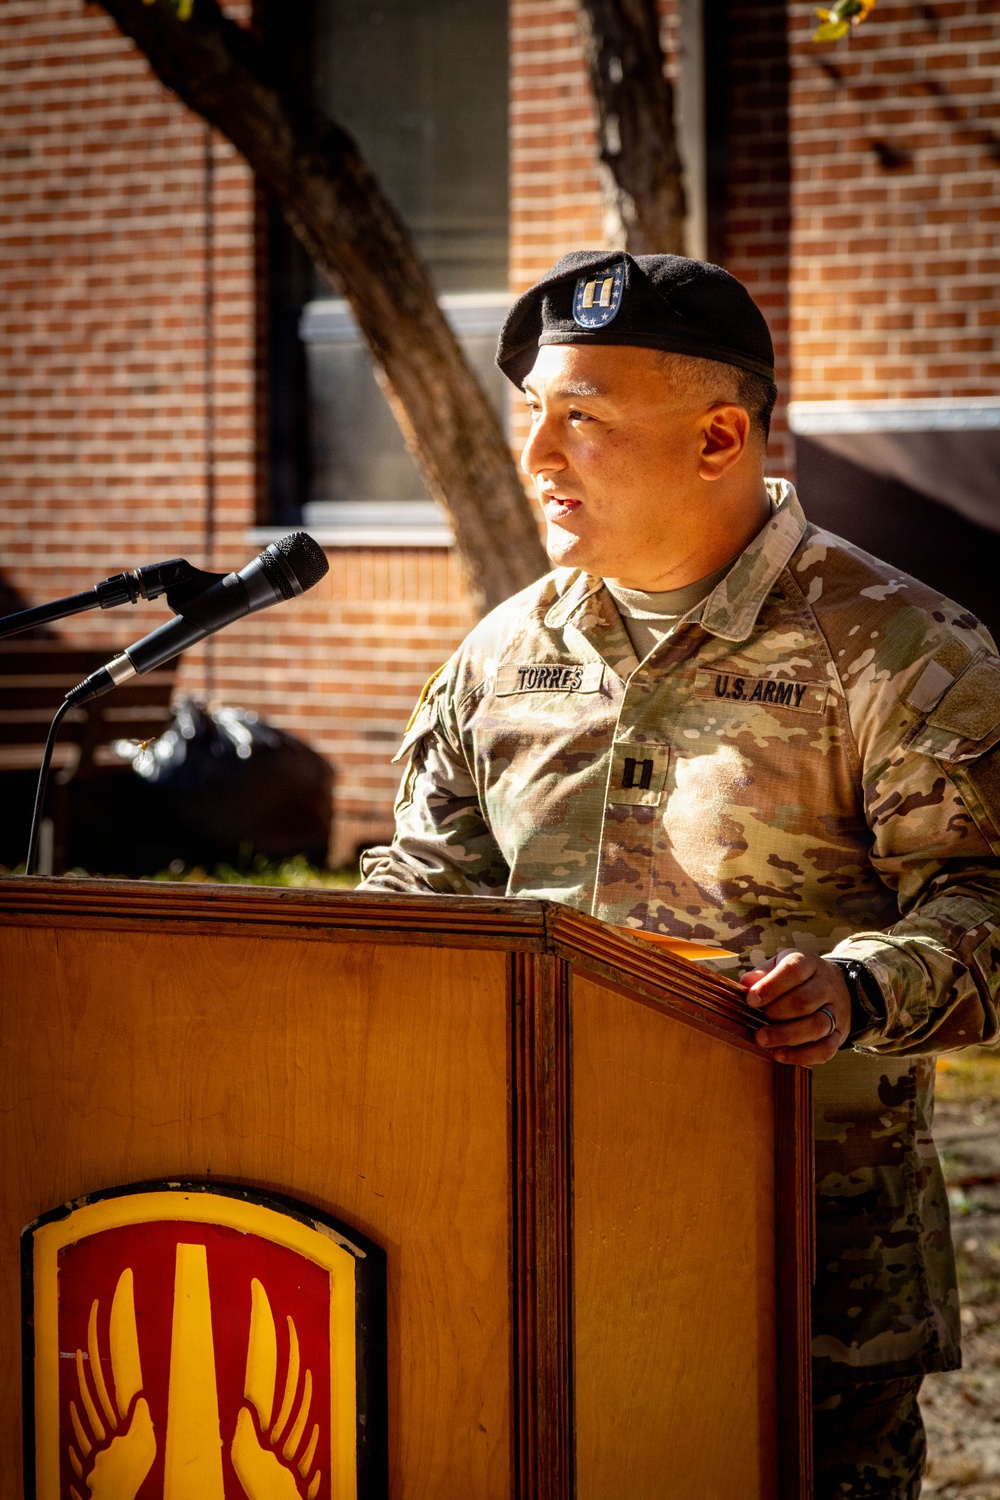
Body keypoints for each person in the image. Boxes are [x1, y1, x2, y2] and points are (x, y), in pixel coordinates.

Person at [360, 250, 1000, 1499]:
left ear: (721, 437)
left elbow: (985, 903)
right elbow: (423, 890)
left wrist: (856, 992)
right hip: (528, 1220)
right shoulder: (502, 653)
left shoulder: (901, 649)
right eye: (530, 416)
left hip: (804, 1253)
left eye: (581, 420)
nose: (537, 455)